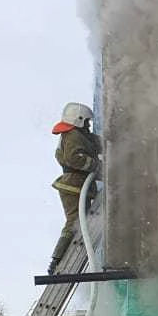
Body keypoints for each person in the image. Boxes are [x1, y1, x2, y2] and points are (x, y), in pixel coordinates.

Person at [48, 101, 101, 274]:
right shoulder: (72, 136)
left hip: (78, 185)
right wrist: (96, 165)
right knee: (75, 222)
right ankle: (57, 260)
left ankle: (59, 259)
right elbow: (75, 159)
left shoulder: (79, 135)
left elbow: (94, 142)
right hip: (74, 186)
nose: (88, 125)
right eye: (86, 121)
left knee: (80, 221)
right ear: (78, 119)